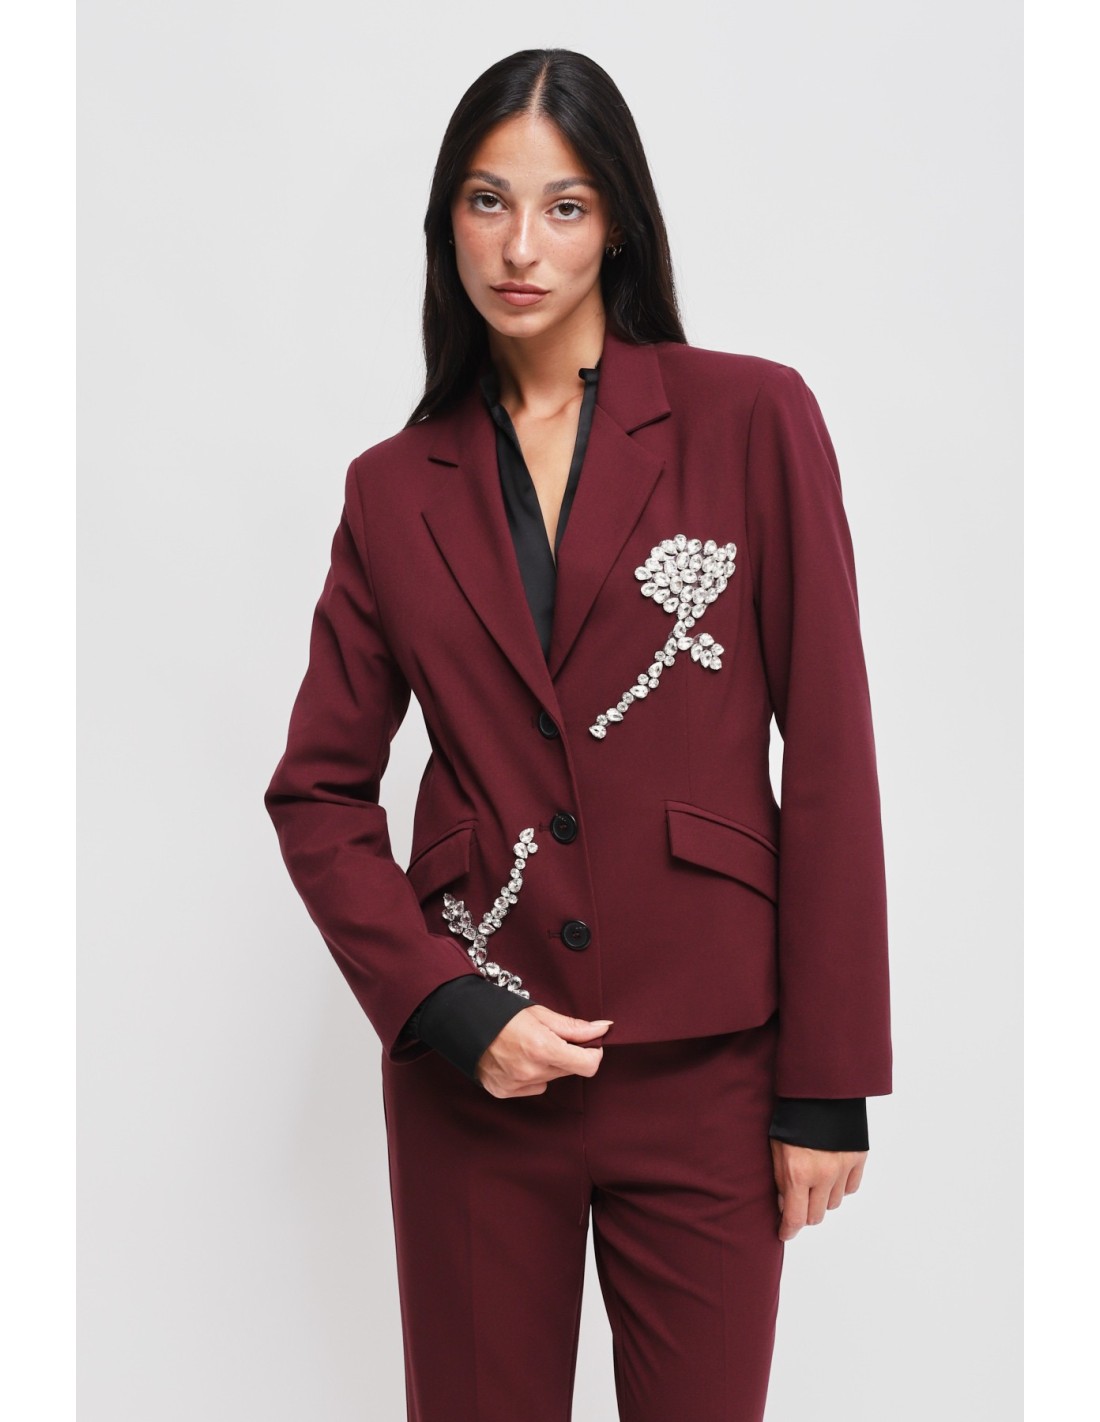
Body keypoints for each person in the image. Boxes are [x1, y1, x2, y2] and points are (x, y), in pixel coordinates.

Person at [264, 47, 892, 1422]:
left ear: (618, 223)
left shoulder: (752, 417)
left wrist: (829, 1083)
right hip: (477, 1072)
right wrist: (447, 1006)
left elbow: (833, 749)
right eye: (487, 202)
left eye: (564, 205)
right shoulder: (391, 488)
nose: (521, 246)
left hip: (710, 1065)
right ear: (446, 224)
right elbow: (317, 792)